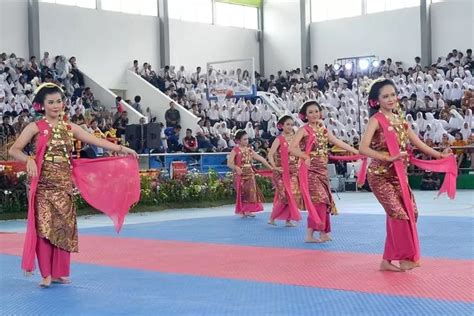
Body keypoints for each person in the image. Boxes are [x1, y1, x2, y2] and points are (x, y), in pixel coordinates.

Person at [8, 83, 138, 288]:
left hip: (65, 186)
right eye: (50, 102)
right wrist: (29, 160)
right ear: (41, 105)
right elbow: (14, 150)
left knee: (65, 228)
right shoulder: (34, 127)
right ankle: (46, 274)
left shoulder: (70, 127)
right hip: (43, 187)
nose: (55, 105)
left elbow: (97, 142)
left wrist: (122, 149)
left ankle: (60, 272)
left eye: (58, 101)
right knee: (44, 228)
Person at [359, 79, 453, 272]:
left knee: (412, 213)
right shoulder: (376, 120)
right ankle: (404, 258)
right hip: (379, 175)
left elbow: (418, 143)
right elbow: (362, 147)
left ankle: (387, 260)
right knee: (399, 215)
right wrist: (388, 156)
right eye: (385, 96)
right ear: (376, 100)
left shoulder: (400, 120)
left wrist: (440, 155)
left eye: (393, 94)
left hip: (398, 175)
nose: (391, 99)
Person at [290, 100, 358, 243]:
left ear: (320, 113)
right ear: (305, 115)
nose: (314, 114)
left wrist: (357, 151)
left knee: (325, 201)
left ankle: (323, 233)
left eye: (316, 111)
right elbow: (292, 148)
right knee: (319, 200)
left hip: (322, 170)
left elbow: (337, 142)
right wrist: (304, 156)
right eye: (310, 112)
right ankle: (312, 234)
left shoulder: (323, 129)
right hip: (310, 170)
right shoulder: (303, 130)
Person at [227, 130, 273, 218]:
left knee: (251, 193)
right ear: (238, 140)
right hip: (241, 175)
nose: (246, 141)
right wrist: (236, 167)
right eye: (244, 139)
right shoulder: (235, 150)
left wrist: (271, 167)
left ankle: (248, 210)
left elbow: (261, 159)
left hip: (250, 174)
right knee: (242, 193)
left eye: (247, 139)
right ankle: (243, 210)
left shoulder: (249, 150)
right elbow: (229, 163)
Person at [267, 115, 302, 227]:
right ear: (281, 126)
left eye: (292, 124)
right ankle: (272, 217)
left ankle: (288, 219)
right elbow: (270, 154)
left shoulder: (295, 138)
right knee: (284, 197)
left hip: (293, 171)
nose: (290, 127)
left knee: (294, 194)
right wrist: (274, 167)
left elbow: (300, 153)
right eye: (287, 124)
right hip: (281, 172)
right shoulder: (279, 139)